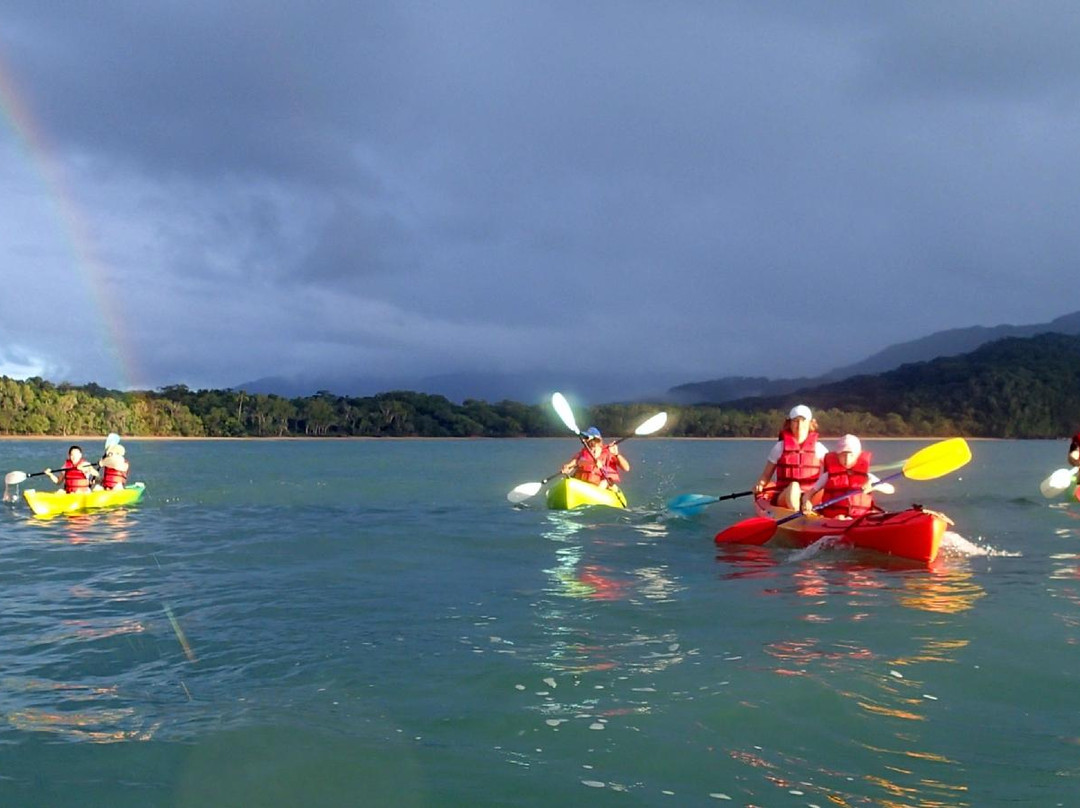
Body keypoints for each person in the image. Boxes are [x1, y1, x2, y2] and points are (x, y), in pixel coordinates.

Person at [754, 404, 825, 510]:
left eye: (803, 421)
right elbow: (766, 476)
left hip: (809, 496)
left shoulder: (819, 448)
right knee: (794, 487)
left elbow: (830, 474)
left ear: (810, 423)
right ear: (790, 423)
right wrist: (760, 484)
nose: (799, 425)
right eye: (795, 421)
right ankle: (797, 515)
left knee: (825, 488)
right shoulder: (780, 447)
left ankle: (813, 513)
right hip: (785, 495)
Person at [803, 434, 881, 519]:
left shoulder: (867, 477)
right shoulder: (828, 476)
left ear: (858, 455)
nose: (847, 459)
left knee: (874, 514)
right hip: (836, 517)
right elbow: (808, 494)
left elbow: (891, 489)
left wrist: (874, 486)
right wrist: (806, 502)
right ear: (837, 455)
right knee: (840, 518)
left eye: (851, 455)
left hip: (860, 517)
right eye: (843, 455)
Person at [561, 426, 630, 490]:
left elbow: (626, 468)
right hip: (582, 484)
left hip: (598, 486)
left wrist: (617, 454)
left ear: (595, 439)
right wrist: (567, 467)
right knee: (568, 479)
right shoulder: (583, 453)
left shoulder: (608, 452)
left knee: (605, 482)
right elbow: (576, 462)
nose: (585, 440)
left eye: (587, 438)